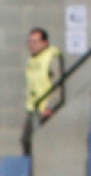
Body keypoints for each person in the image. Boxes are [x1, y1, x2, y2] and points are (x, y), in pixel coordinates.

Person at [22, 27, 62, 159]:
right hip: (32, 107)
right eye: (30, 42)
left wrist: (51, 106)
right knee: (25, 140)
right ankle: (29, 175)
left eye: (36, 42)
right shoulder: (32, 59)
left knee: (39, 144)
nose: (32, 45)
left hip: (45, 108)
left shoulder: (51, 57)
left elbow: (57, 83)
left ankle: (35, 174)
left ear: (45, 43)